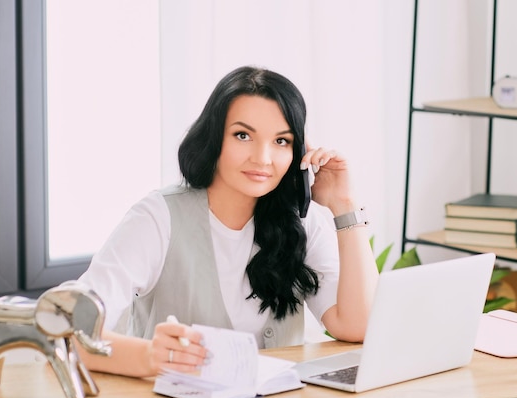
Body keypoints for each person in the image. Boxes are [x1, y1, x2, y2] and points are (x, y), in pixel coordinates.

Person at [77, 66, 379, 378]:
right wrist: (150, 355)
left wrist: (345, 206)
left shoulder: (303, 221)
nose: (262, 158)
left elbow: (359, 326)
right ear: (213, 138)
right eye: (243, 135)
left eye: (281, 141)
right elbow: (70, 326)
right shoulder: (158, 217)